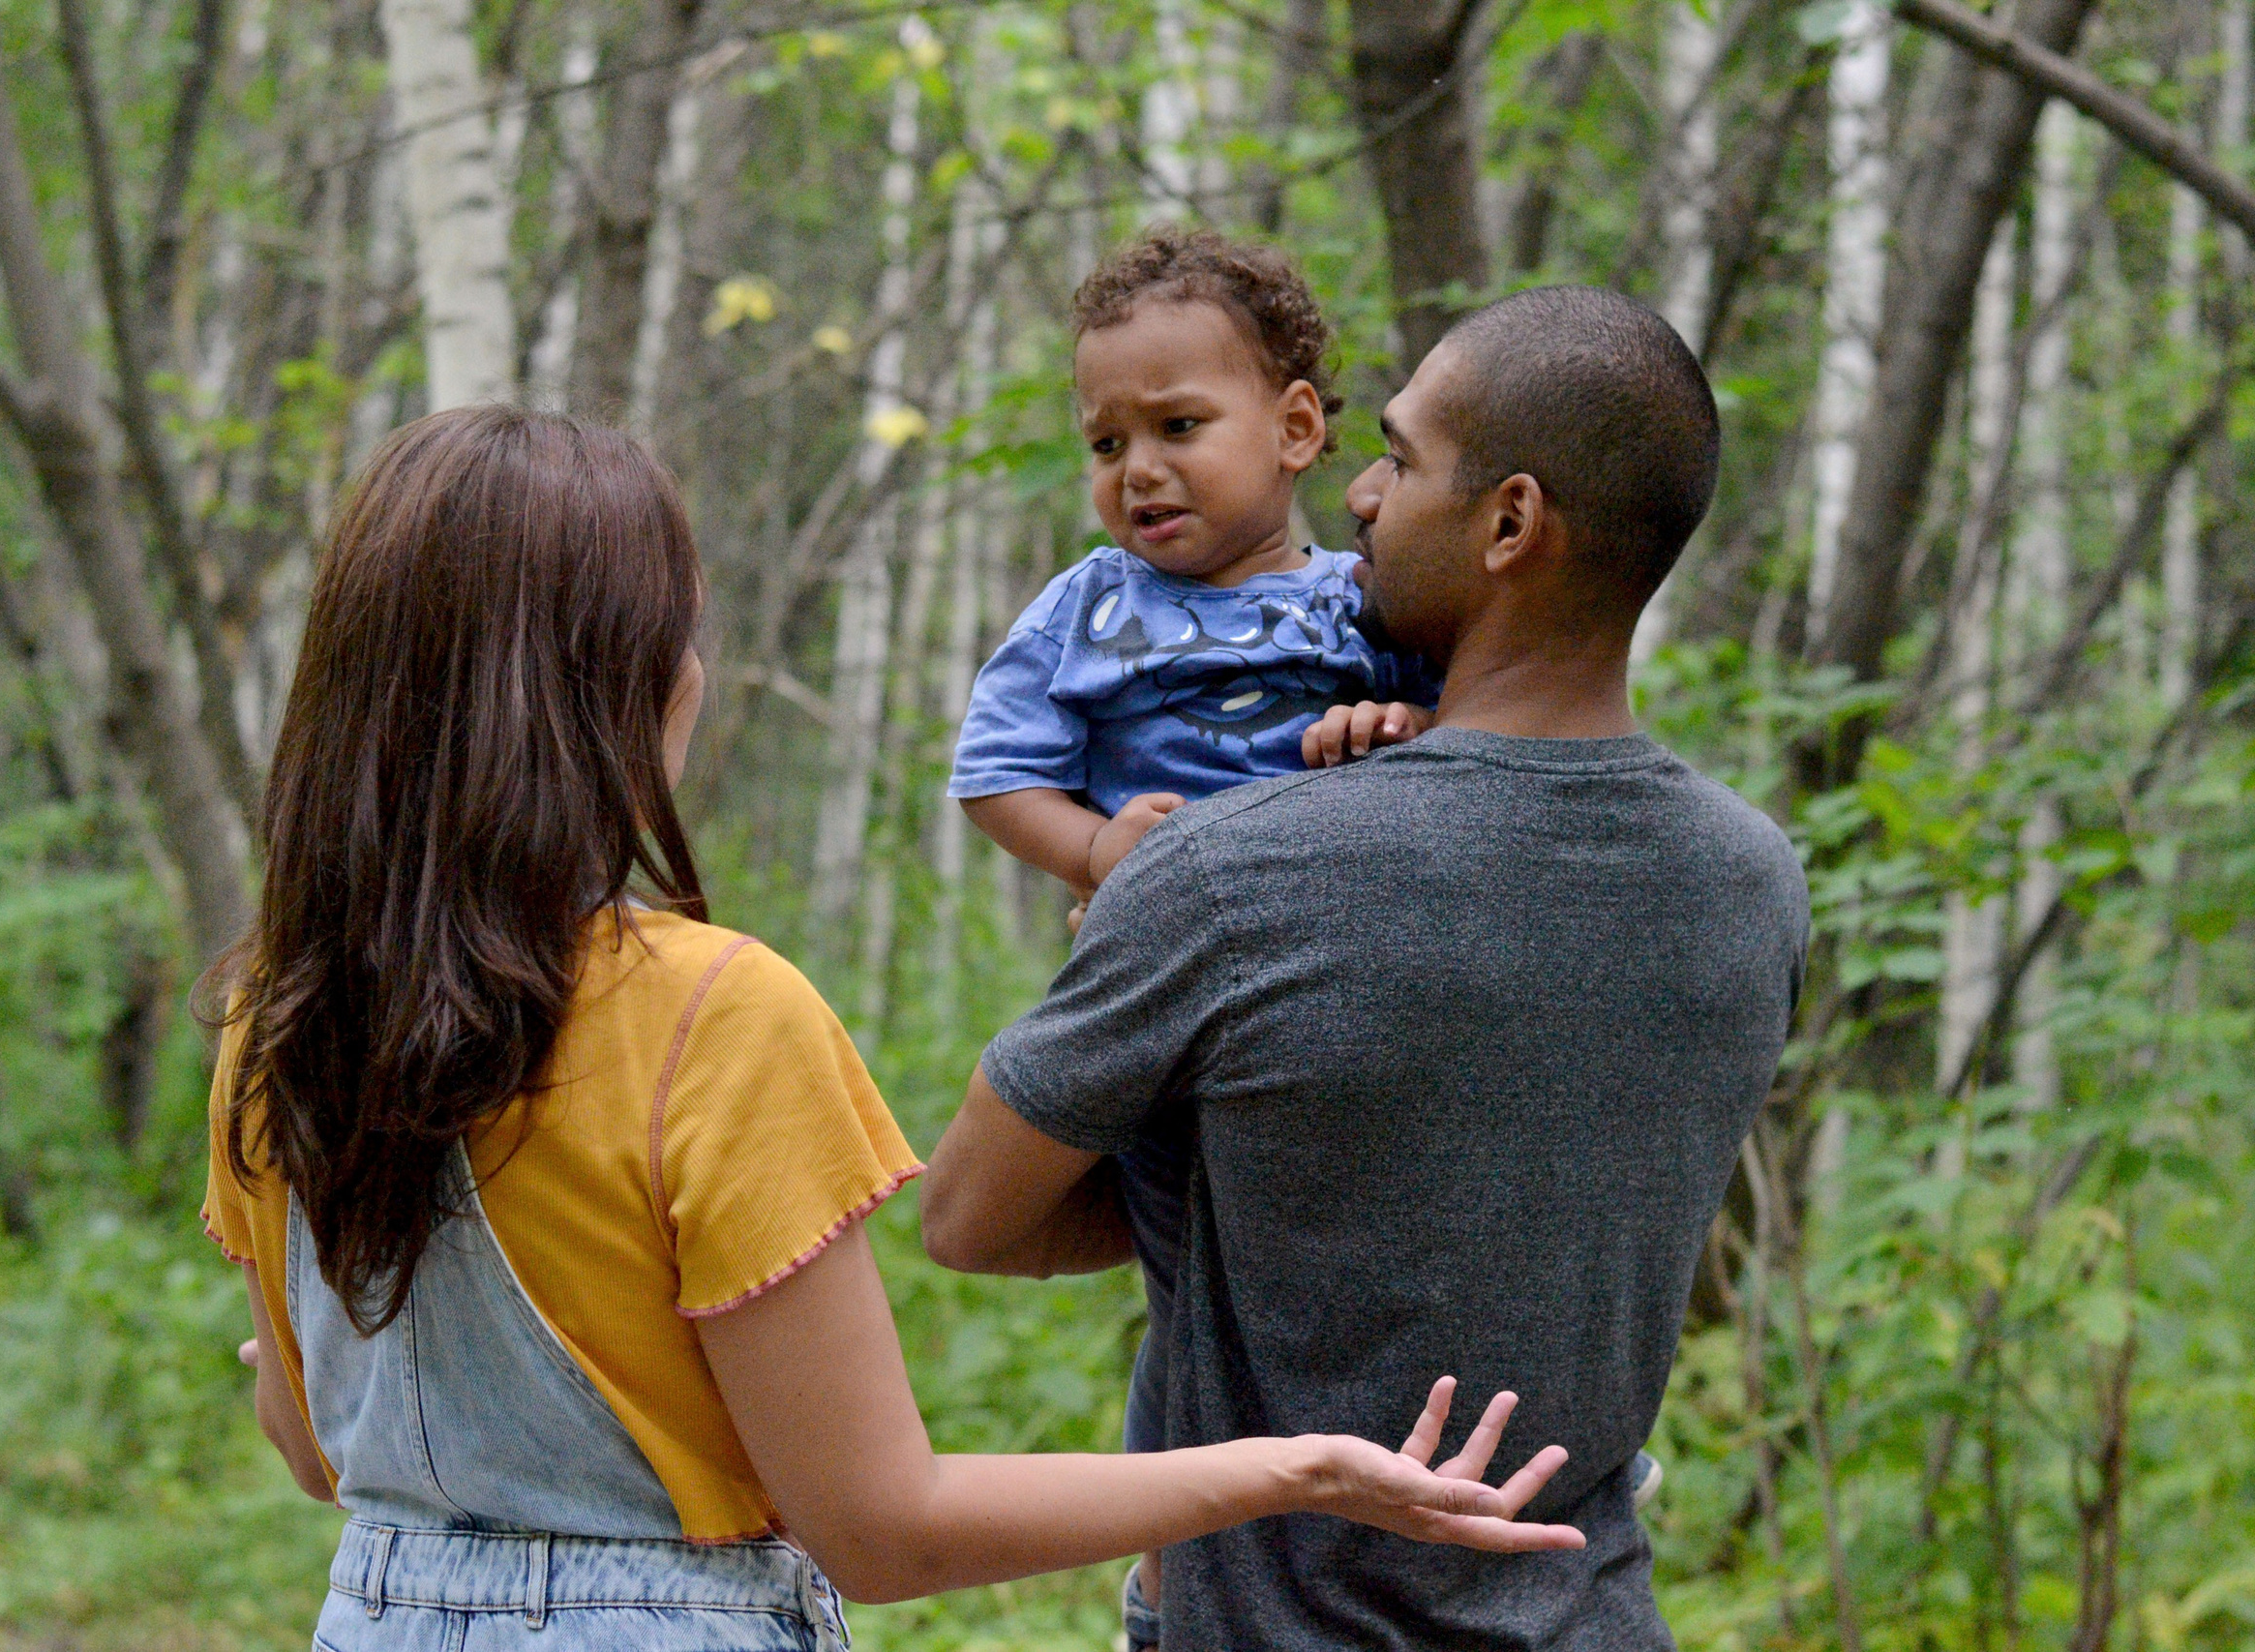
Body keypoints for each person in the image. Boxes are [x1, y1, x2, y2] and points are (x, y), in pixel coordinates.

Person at [199, 405, 1584, 1652]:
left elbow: (325, 1455)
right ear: (627, 684)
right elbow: (881, 1529)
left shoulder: (278, 1016)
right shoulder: (712, 1017)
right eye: (682, 628)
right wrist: (1300, 1469)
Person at [922, 286, 1813, 1650]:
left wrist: (1235, 1213)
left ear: (1510, 523)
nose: (1362, 501)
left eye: (1396, 458)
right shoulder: (1756, 886)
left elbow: (970, 1220)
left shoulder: (1230, 872)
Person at [946, 228, 1436, 1631]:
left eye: (1176, 427)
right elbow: (995, 773)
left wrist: (1398, 725)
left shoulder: (1369, 601)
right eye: (1105, 441)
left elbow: (1465, 739)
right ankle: (1178, 1551)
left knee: (1339, 1251)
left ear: (1294, 430)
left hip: (1338, 998)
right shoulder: (1092, 606)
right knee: (1191, 1274)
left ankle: (1379, 1497)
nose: (1136, 471)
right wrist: (1099, 846)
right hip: (1164, 1013)